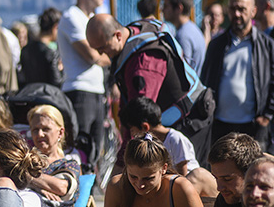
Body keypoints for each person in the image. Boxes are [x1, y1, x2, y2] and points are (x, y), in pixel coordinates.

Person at [87, 13, 214, 163]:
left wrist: (125, 159)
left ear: (118, 35)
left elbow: (140, 114)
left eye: (102, 47)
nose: (101, 54)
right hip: (175, 119)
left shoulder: (143, 62)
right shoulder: (135, 33)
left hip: (189, 122)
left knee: (188, 179)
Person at [201, 0, 274, 150]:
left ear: (253, 11)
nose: (237, 14)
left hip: (252, 125)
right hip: (220, 123)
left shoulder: (267, 45)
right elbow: (205, 79)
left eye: (242, 9)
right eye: (233, 9)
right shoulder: (217, 45)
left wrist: (267, 115)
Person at [57, 0, 110, 169]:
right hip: (79, 91)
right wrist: (109, 54)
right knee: (81, 148)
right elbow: (92, 55)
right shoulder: (72, 16)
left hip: (95, 91)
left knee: (95, 150)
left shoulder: (91, 18)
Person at [119, 97, 217, 197]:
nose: (132, 134)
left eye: (132, 130)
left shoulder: (175, 139)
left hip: (189, 185)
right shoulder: (150, 143)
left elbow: (182, 173)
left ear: (145, 127)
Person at [26, 104, 80, 207]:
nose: (40, 134)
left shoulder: (69, 164)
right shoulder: (26, 160)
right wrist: (40, 189)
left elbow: (61, 187)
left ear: (60, 133)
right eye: (35, 130)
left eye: (46, 129)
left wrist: (27, 178)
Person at [208, 133, 262, 207]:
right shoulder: (223, 202)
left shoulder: (268, 204)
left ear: (249, 173)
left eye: (227, 179)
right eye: (216, 178)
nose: (219, 188)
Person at [162, 0, 206, 74]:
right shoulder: (192, 29)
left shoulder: (183, 35)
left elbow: (182, 71)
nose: (162, 10)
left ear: (179, 8)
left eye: (166, 6)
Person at [18, 7, 63, 89]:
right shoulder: (51, 52)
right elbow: (56, 81)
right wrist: (61, 69)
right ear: (55, 27)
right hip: (48, 96)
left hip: (29, 95)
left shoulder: (25, 50)